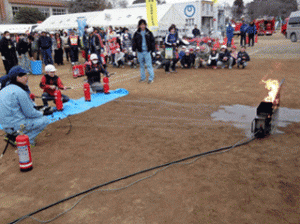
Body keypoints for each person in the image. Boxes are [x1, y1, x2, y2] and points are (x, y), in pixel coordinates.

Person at [0, 66, 49, 145]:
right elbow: (30, 113)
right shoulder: (19, 91)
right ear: (17, 77)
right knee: (44, 120)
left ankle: (13, 136)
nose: (27, 78)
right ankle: (25, 141)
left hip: (5, 125)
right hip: (16, 125)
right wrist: (42, 113)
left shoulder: (5, 89)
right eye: (25, 76)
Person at [132, 19, 155, 84]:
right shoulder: (136, 33)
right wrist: (134, 50)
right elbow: (134, 42)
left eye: (143, 24)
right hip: (139, 52)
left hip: (147, 52)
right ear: (139, 26)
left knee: (149, 65)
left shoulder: (149, 33)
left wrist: (153, 51)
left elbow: (153, 42)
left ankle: (151, 78)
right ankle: (143, 78)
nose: (142, 26)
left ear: (145, 25)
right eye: (141, 24)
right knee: (141, 66)